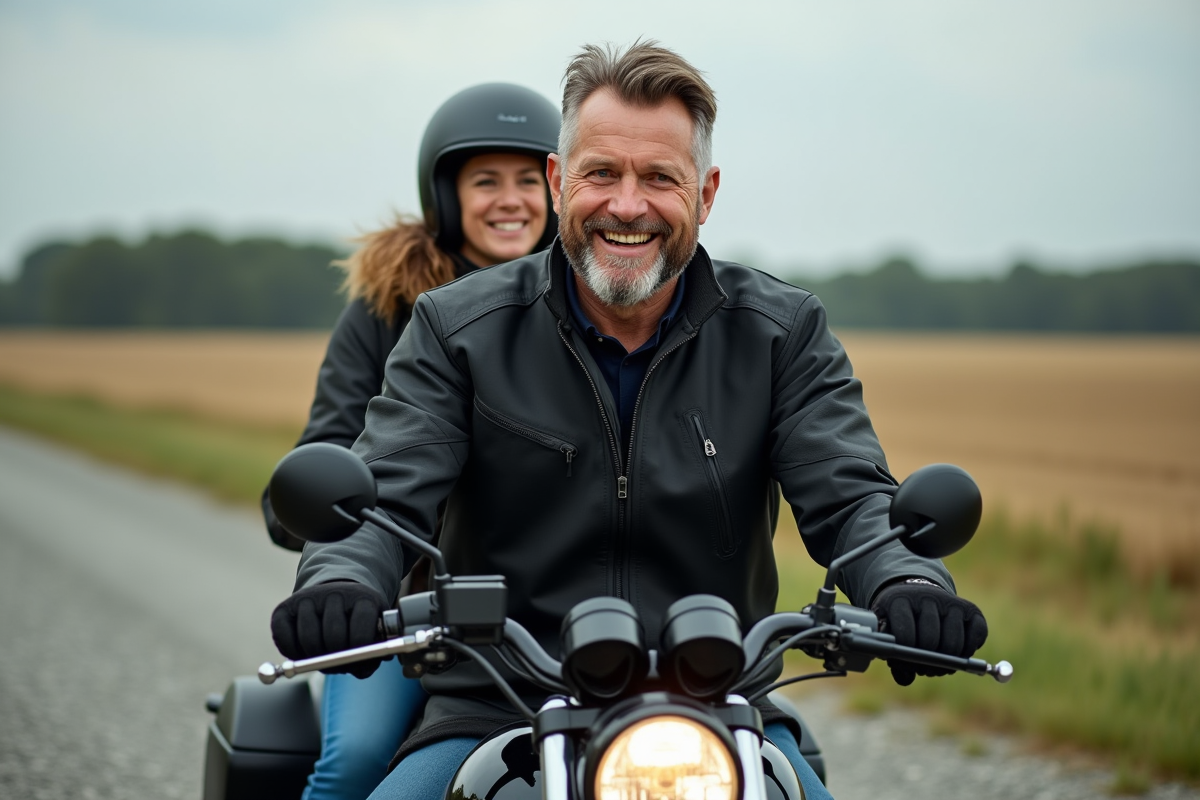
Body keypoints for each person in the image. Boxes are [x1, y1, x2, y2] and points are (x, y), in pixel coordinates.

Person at [271, 41, 989, 800]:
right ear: (559, 182)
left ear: (706, 195)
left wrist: (908, 579)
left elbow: (849, 493)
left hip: (722, 705)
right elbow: (384, 493)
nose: (626, 204)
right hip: (496, 704)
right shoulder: (457, 328)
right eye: (601, 173)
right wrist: (343, 577)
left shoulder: (781, 333)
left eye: (659, 178)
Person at [261, 82, 560, 800]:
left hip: (550, 603)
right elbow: (333, 441)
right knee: (358, 761)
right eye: (485, 181)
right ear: (445, 195)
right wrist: (339, 566)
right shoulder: (387, 309)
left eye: (527, 179)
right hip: (411, 607)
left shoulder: (588, 309)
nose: (511, 200)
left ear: (558, 187)